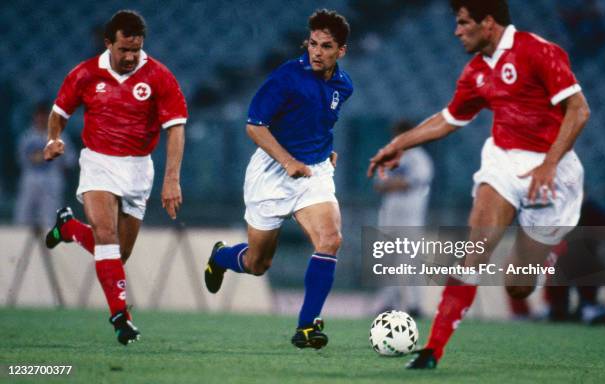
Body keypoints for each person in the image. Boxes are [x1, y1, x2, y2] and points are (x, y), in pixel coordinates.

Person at [368, 0, 590, 369]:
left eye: (463, 23)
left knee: (517, 285)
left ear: (488, 23)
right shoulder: (475, 72)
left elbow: (579, 110)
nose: (457, 31)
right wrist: (398, 144)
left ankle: (546, 252)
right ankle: (432, 350)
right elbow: (449, 119)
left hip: (555, 169)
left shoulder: (538, 51)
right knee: (476, 248)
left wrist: (549, 165)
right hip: (503, 161)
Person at [204, 9, 352, 349]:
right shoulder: (287, 77)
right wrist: (287, 161)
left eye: (326, 46)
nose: (316, 51)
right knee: (258, 263)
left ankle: (305, 328)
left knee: (330, 239)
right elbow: (255, 125)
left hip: (314, 173)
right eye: (312, 43)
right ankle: (221, 257)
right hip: (272, 173)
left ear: (340, 51)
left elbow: (322, 120)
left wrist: (325, 150)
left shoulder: (344, 85)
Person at [43, 10, 187, 345]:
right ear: (108, 43)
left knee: (117, 256)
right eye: (123, 49)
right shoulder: (85, 74)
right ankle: (121, 316)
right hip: (99, 163)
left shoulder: (159, 76)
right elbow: (58, 113)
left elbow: (176, 129)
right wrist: (53, 139)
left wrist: (171, 179)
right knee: (106, 236)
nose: (130, 57)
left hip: (139, 167)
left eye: (135, 50)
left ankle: (68, 228)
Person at [373, 119, 434, 316]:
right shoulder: (389, 155)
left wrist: (392, 183)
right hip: (390, 217)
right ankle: (389, 303)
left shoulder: (419, 157)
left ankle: (414, 305)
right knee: (389, 262)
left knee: (411, 263)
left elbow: (412, 182)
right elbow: (378, 183)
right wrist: (393, 183)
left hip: (411, 219)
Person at [14, 103, 76, 229]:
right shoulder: (26, 137)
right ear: (34, 117)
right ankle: (18, 246)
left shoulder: (60, 136)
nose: (41, 119)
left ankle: (51, 247)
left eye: (44, 116)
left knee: (50, 218)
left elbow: (71, 160)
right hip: (30, 180)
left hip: (52, 181)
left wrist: (59, 164)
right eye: (39, 116)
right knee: (23, 216)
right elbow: (20, 160)